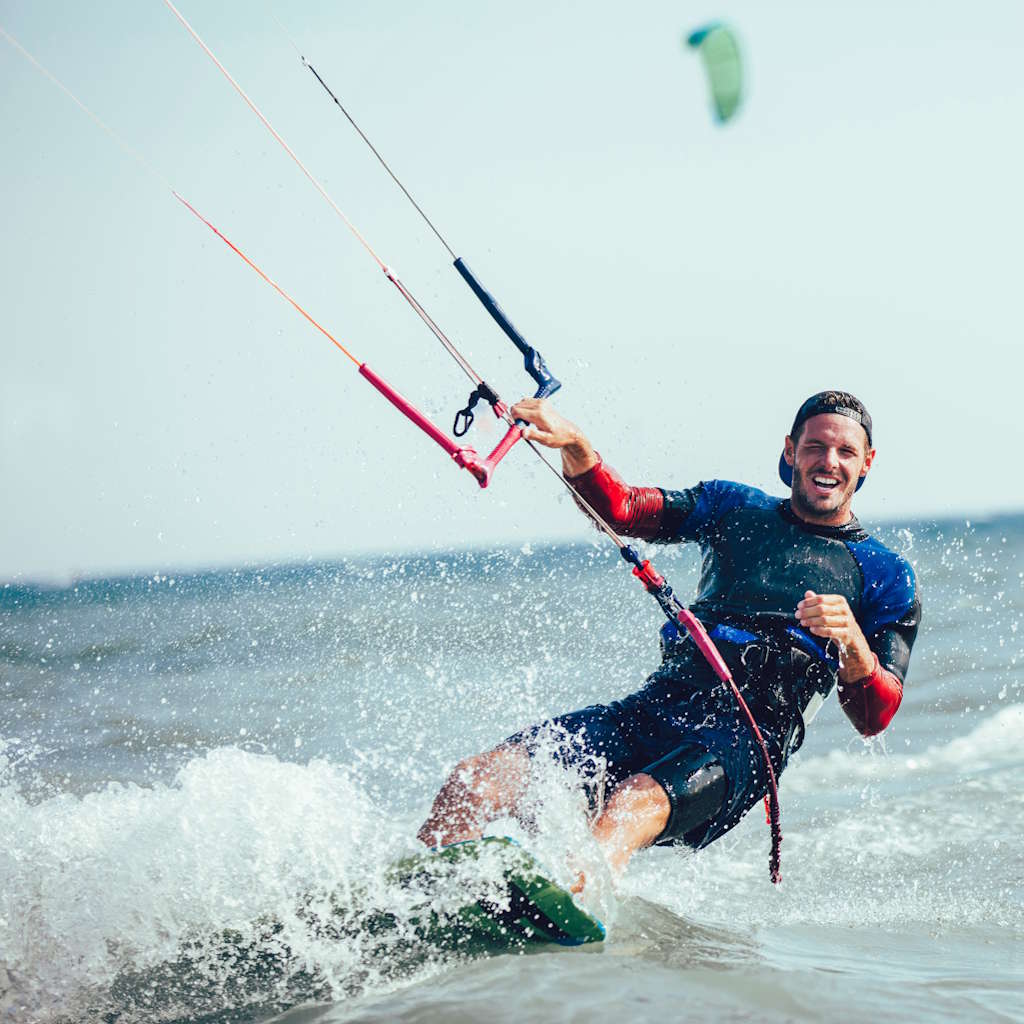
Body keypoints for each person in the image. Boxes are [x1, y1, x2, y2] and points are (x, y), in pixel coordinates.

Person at [418, 391, 921, 880]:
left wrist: (853, 645)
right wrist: (576, 446)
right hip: (653, 709)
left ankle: (569, 908)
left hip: (742, 744)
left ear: (867, 462)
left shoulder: (884, 573)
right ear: (790, 451)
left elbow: (874, 718)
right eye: (815, 447)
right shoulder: (732, 508)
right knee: (474, 782)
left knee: (624, 812)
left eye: (845, 451)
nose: (828, 462)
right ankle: (420, 898)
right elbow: (624, 510)